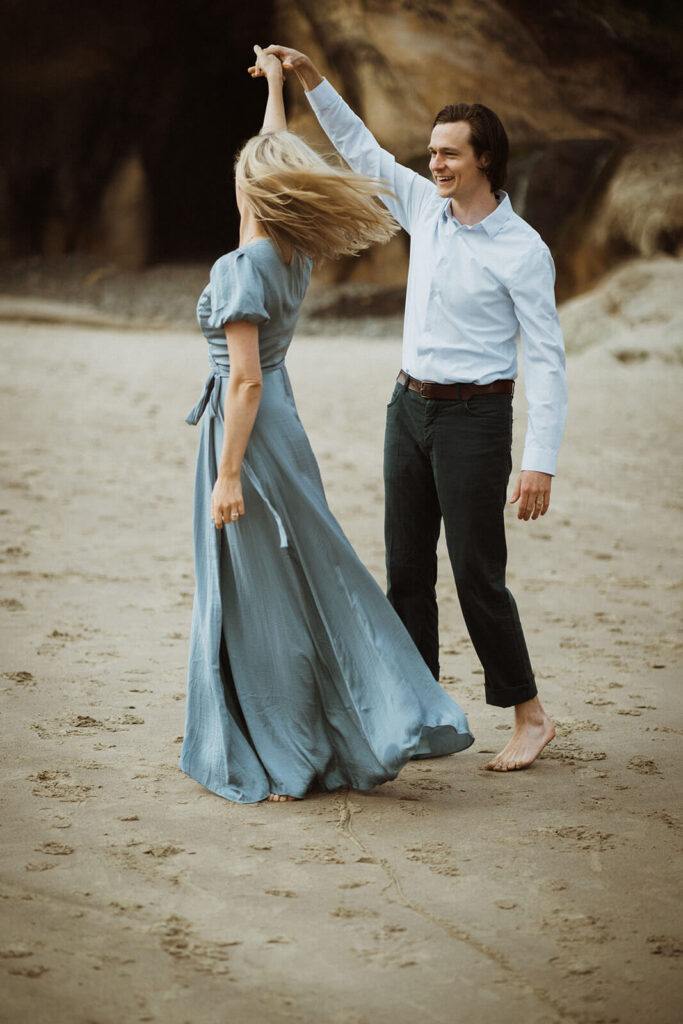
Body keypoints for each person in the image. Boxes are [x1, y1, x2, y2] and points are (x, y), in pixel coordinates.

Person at [261, 44, 568, 771]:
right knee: (405, 571)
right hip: (407, 410)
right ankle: (418, 704)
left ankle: (528, 714)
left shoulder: (522, 250)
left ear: (484, 159)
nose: (434, 164)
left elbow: (546, 360)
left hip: (476, 421)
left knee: (475, 575)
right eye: (430, 152)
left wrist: (538, 462)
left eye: (448, 154)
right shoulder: (421, 210)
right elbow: (361, 150)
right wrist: (310, 80)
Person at [179, 46, 473, 804]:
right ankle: (347, 714)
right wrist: (277, 87)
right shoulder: (292, 248)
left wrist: (226, 474)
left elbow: (241, 381)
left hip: (251, 431)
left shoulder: (238, 269)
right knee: (309, 573)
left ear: (252, 190)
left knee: (265, 591)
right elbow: (270, 163)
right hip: (285, 420)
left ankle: (291, 740)